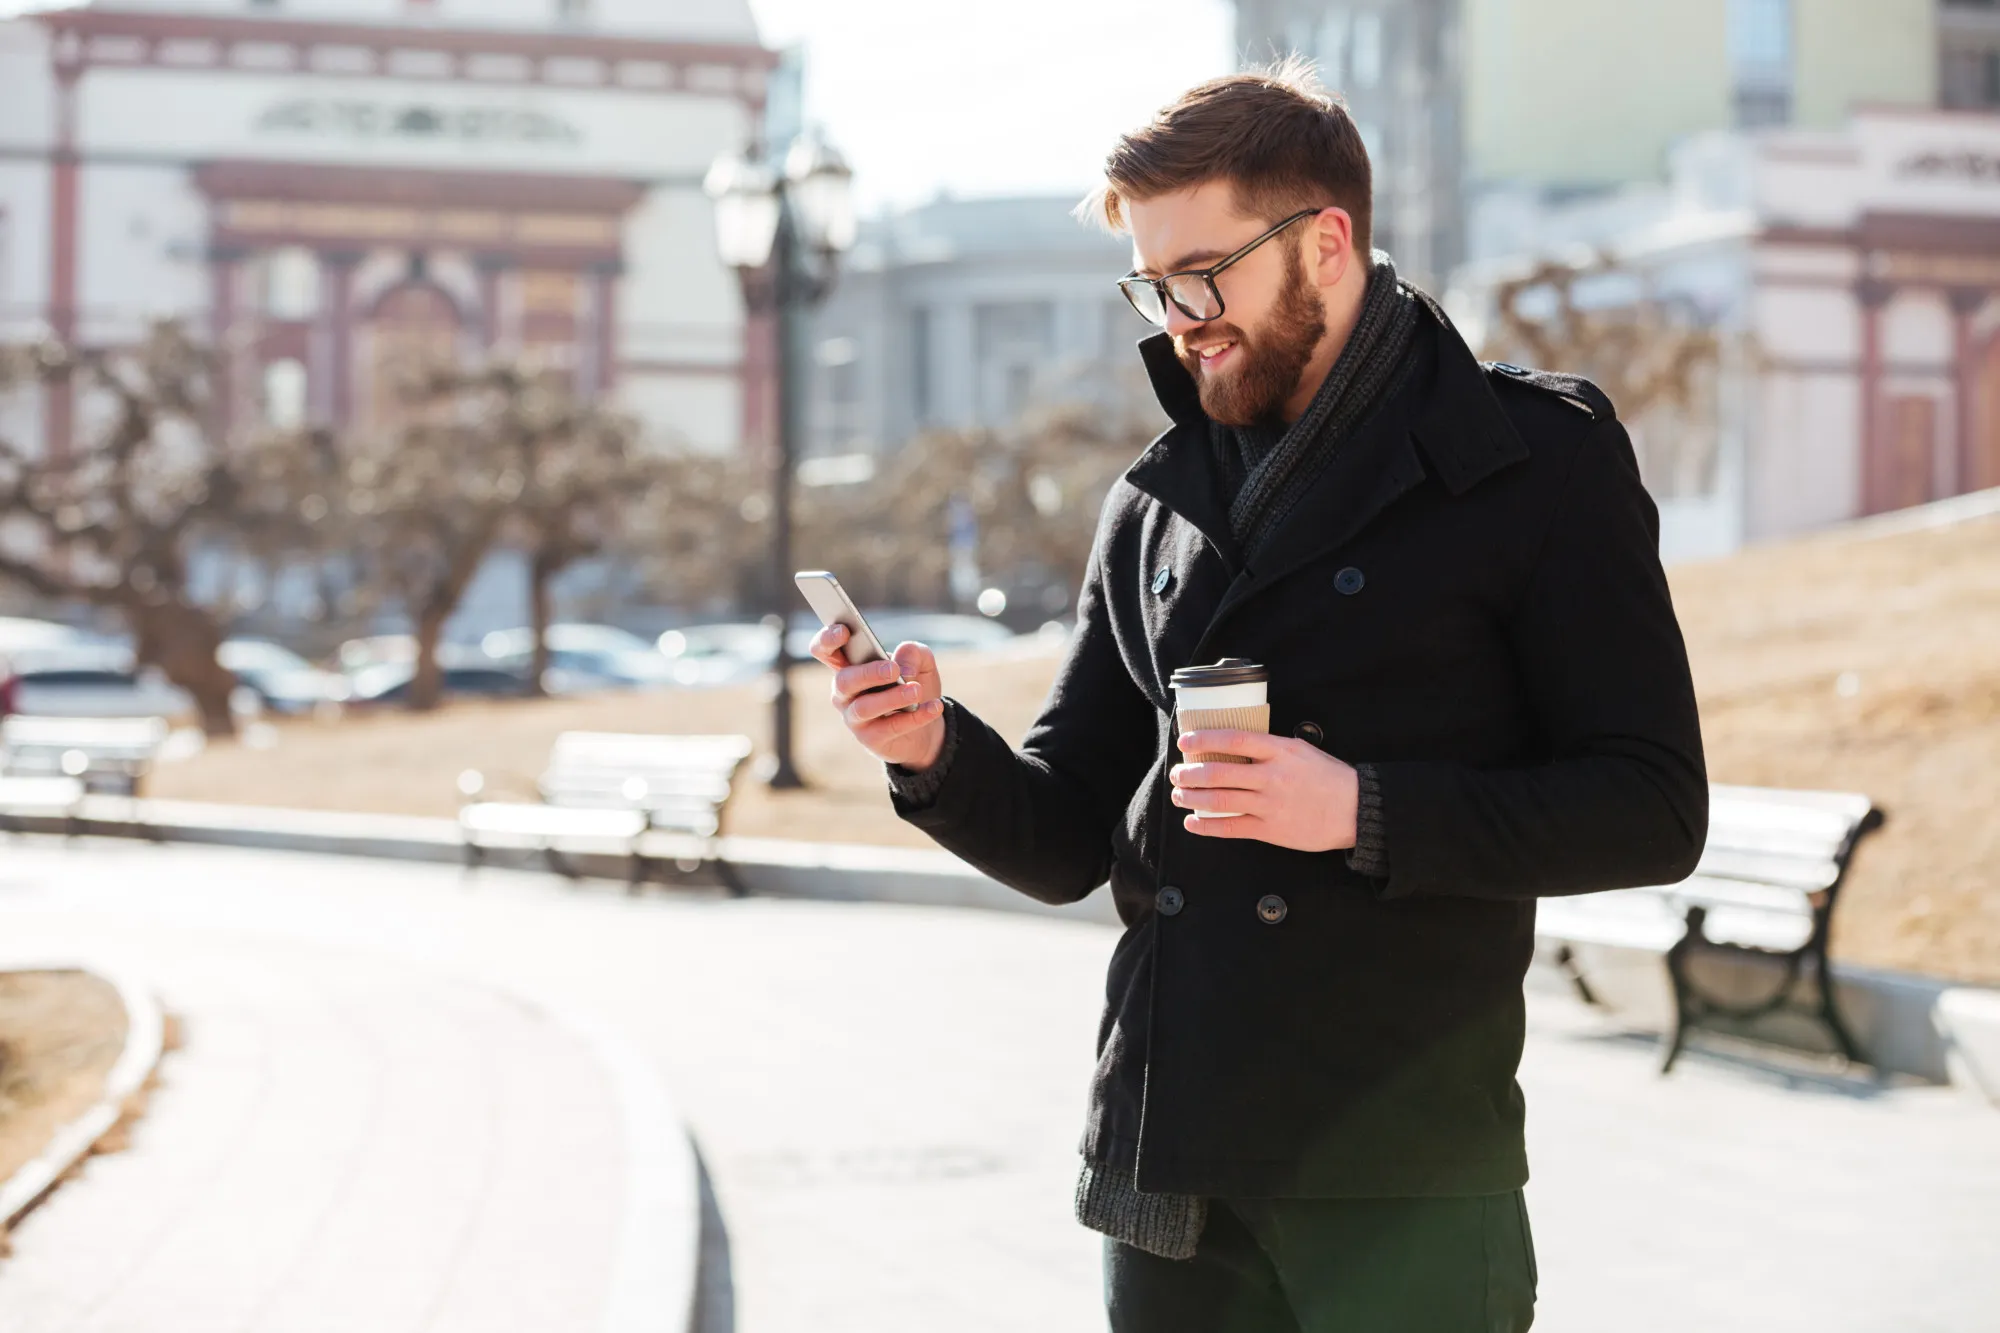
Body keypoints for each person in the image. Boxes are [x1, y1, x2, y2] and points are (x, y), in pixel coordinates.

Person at [808, 61, 1706, 1333]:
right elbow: (1068, 834)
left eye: (1202, 272)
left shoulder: (1530, 466)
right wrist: (932, 752)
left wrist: (1362, 809)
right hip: (1168, 1167)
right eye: (1151, 281)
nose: (1176, 315)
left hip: (1400, 1183)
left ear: (1326, 242)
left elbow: (1651, 806)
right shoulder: (1155, 499)